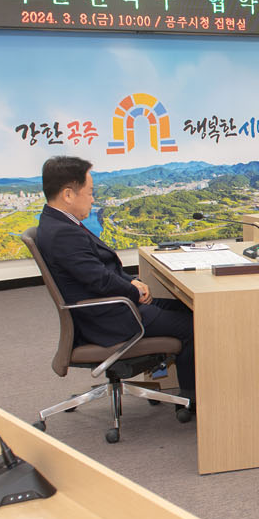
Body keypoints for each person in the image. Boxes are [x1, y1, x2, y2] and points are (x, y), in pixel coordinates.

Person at [35, 155, 196, 404]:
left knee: (190, 308)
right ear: (68, 194)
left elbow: (99, 269)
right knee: (196, 324)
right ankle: (193, 400)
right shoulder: (63, 233)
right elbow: (99, 280)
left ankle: (188, 389)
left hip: (108, 305)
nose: (93, 199)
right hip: (110, 316)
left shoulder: (56, 222)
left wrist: (132, 282)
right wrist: (134, 289)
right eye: (90, 193)